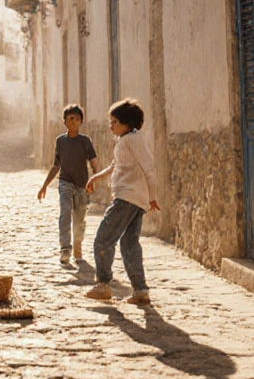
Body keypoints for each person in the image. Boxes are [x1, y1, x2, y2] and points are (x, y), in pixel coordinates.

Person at [84, 99, 161, 305]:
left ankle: (103, 285)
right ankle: (141, 290)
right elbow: (114, 166)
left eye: (115, 121)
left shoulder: (133, 140)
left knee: (103, 238)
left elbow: (149, 168)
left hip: (127, 198)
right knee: (129, 243)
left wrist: (153, 196)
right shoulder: (124, 140)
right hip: (135, 199)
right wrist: (96, 177)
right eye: (111, 121)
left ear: (128, 124)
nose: (111, 125)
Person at [36, 104, 100, 265]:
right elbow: (56, 165)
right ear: (65, 121)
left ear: (81, 122)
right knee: (65, 213)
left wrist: (95, 178)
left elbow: (93, 161)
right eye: (71, 118)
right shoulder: (60, 141)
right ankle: (65, 248)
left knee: (79, 219)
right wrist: (44, 185)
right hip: (65, 182)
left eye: (77, 119)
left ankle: (78, 245)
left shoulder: (85, 141)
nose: (74, 122)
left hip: (82, 186)